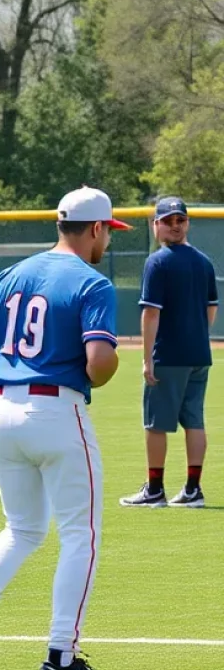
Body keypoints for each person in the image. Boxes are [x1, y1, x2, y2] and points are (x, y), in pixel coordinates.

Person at [0, 186, 128, 670]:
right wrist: (112, 358)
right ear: (95, 229)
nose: (107, 239)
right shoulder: (92, 283)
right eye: (108, 230)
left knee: (21, 528)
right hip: (57, 411)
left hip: (3, 407)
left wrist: (5, 384)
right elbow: (98, 366)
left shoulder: (14, 272)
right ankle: (61, 660)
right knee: (79, 536)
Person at [121, 196, 218, 509]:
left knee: (156, 423)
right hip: (199, 354)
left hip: (169, 355)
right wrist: (196, 335)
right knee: (195, 421)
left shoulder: (158, 262)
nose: (175, 226)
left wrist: (147, 357)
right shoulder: (204, 261)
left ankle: (155, 488)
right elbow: (210, 311)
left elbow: (151, 314)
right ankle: (193, 489)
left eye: (179, 220)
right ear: (157, 224)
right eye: (169, 220)